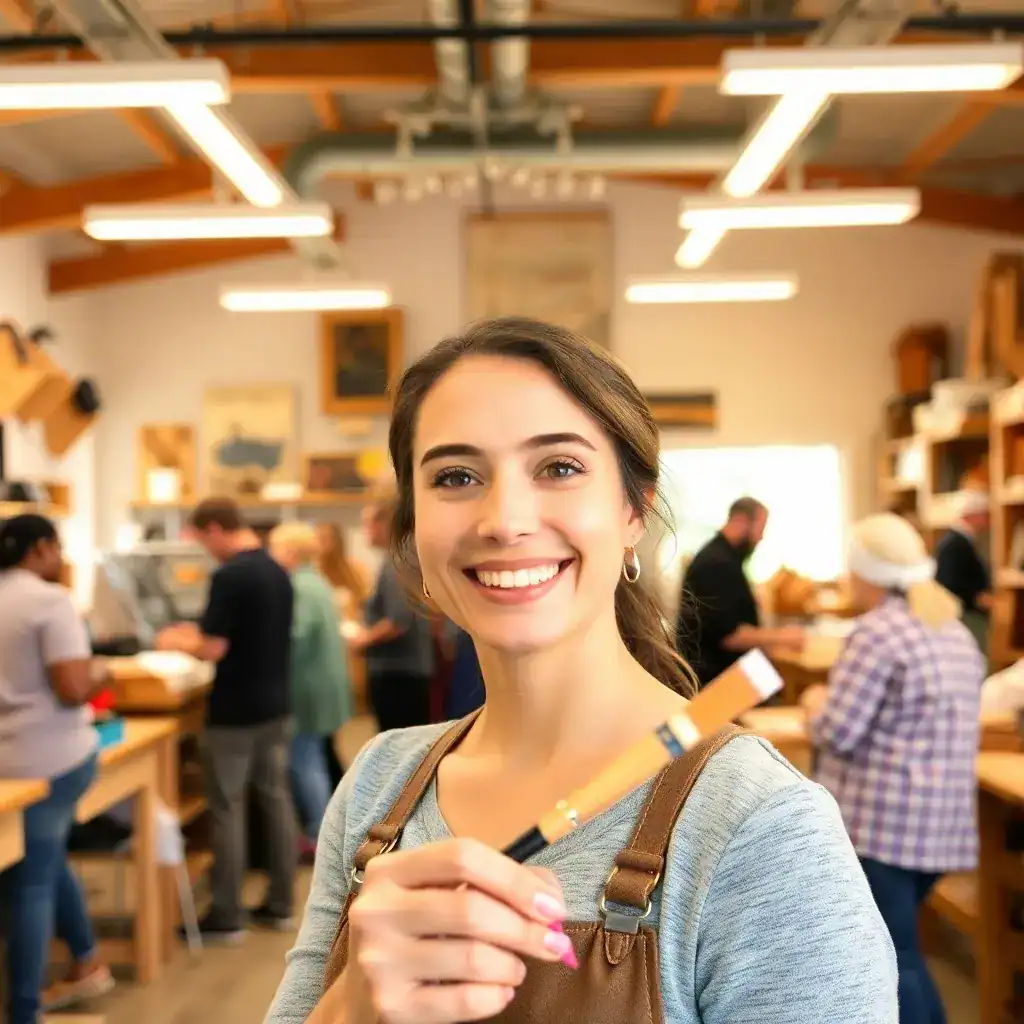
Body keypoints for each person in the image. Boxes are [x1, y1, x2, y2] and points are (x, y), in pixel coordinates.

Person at [265, 316, 897, 1024]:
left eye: (559, 468)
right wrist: (350, 1010)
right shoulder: (380, 787)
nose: (505, 519)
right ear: (413, 529)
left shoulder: (760, 825)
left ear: (634, 510)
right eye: (455, 476)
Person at [803, 512, 983, 1024]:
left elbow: (838, 731)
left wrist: (816, 703)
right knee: (903, 950)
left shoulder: (877, 633)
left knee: (895, 959)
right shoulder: (952, 629)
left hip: (884, 830)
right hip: (940, 830)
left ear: (866, 573)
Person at [156, 497, 296, 942]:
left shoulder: (231, 575)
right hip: (274, 702)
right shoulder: (275, 570)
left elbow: (214, 647)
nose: (204, 550)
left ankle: (227, 913)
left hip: (235, 709)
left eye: (201, 540)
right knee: (274, 799)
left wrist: (175, 642)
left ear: (216, 529)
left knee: (226, 807)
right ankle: (280, 904)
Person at [0, 515, 113, 1023]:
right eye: (57, 546)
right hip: (50, 757)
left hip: (5, 763)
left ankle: (87, 959)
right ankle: (24, 1009)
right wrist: (103, 671)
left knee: (41, 857)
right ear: (39, 548)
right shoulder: (49, 600)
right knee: (31, 881)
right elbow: (72, 687)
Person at [268, 523, 351, 858]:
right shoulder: (317, 581)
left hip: (307, 685)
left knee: (305, 760)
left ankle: (319, 833)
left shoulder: (299, 586)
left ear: (289, 551)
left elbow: (295, 634)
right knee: (314, 756)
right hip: (324, 682)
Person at [676, 497, 805, 687]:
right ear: (741, 521)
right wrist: (783, 637)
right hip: (716, 682)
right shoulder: (717, 564)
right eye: (760, 529)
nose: (761, 537)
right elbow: (729, 635)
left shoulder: (724, 557)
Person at [348, 496, 434, 732]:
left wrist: (362, 640)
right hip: (404, 671)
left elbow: (397, 621)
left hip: (399, 673)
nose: (366, 531)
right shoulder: (399, 558)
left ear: (382, 524)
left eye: (368, 523)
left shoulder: (397, 561)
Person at [934, 488, 991, 654]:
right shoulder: (955, 545)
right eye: (983, 515)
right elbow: (949, 584)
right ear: (971, 515)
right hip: (965, 617)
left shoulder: (959, 542)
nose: (986, 521)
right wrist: (976, 598)